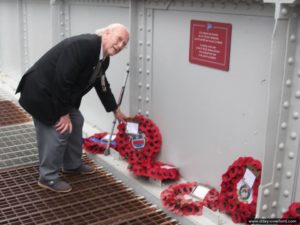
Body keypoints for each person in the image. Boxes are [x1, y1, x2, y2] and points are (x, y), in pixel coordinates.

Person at [16, 23, 129, 193]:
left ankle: (71, 165)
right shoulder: (83, 45)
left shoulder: (103, 59)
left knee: (77, 120)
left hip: (57, 94)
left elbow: (102, 85)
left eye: (124, 44)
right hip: (42, 93)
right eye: (119, 39)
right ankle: (48, 177)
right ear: (107, 33)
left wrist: (115, 110)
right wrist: (62, 113)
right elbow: (63, 79)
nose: (120, 45)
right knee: (59, 129)